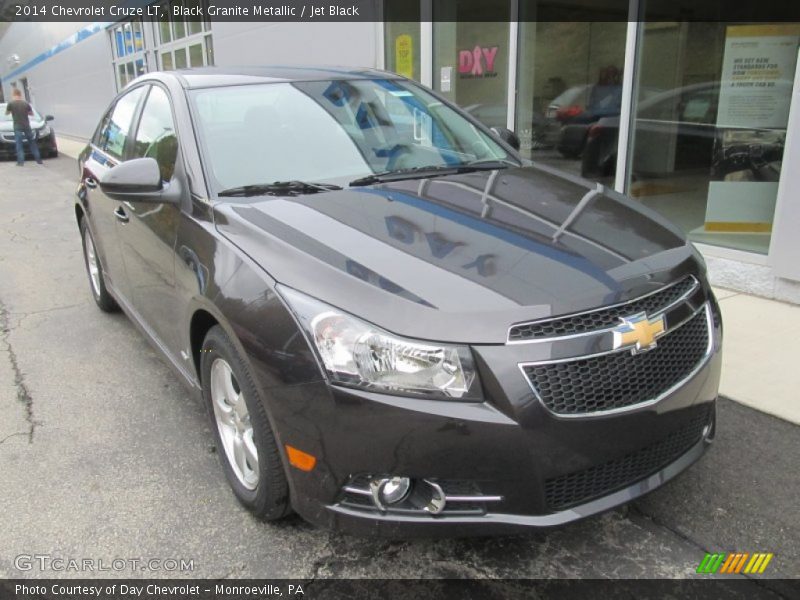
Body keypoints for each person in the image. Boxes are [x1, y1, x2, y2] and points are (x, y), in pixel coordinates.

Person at [5, 88, 42, 166]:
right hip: (26, 126)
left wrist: (12, 111)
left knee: (19, 145)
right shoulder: (25, 103)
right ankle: (39, 160)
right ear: (20, 95)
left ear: (14, 95)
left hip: (17, 126)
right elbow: (31, 113)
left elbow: (6, 113)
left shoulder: (11, 104)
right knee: (32, 143)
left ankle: (21, 162)